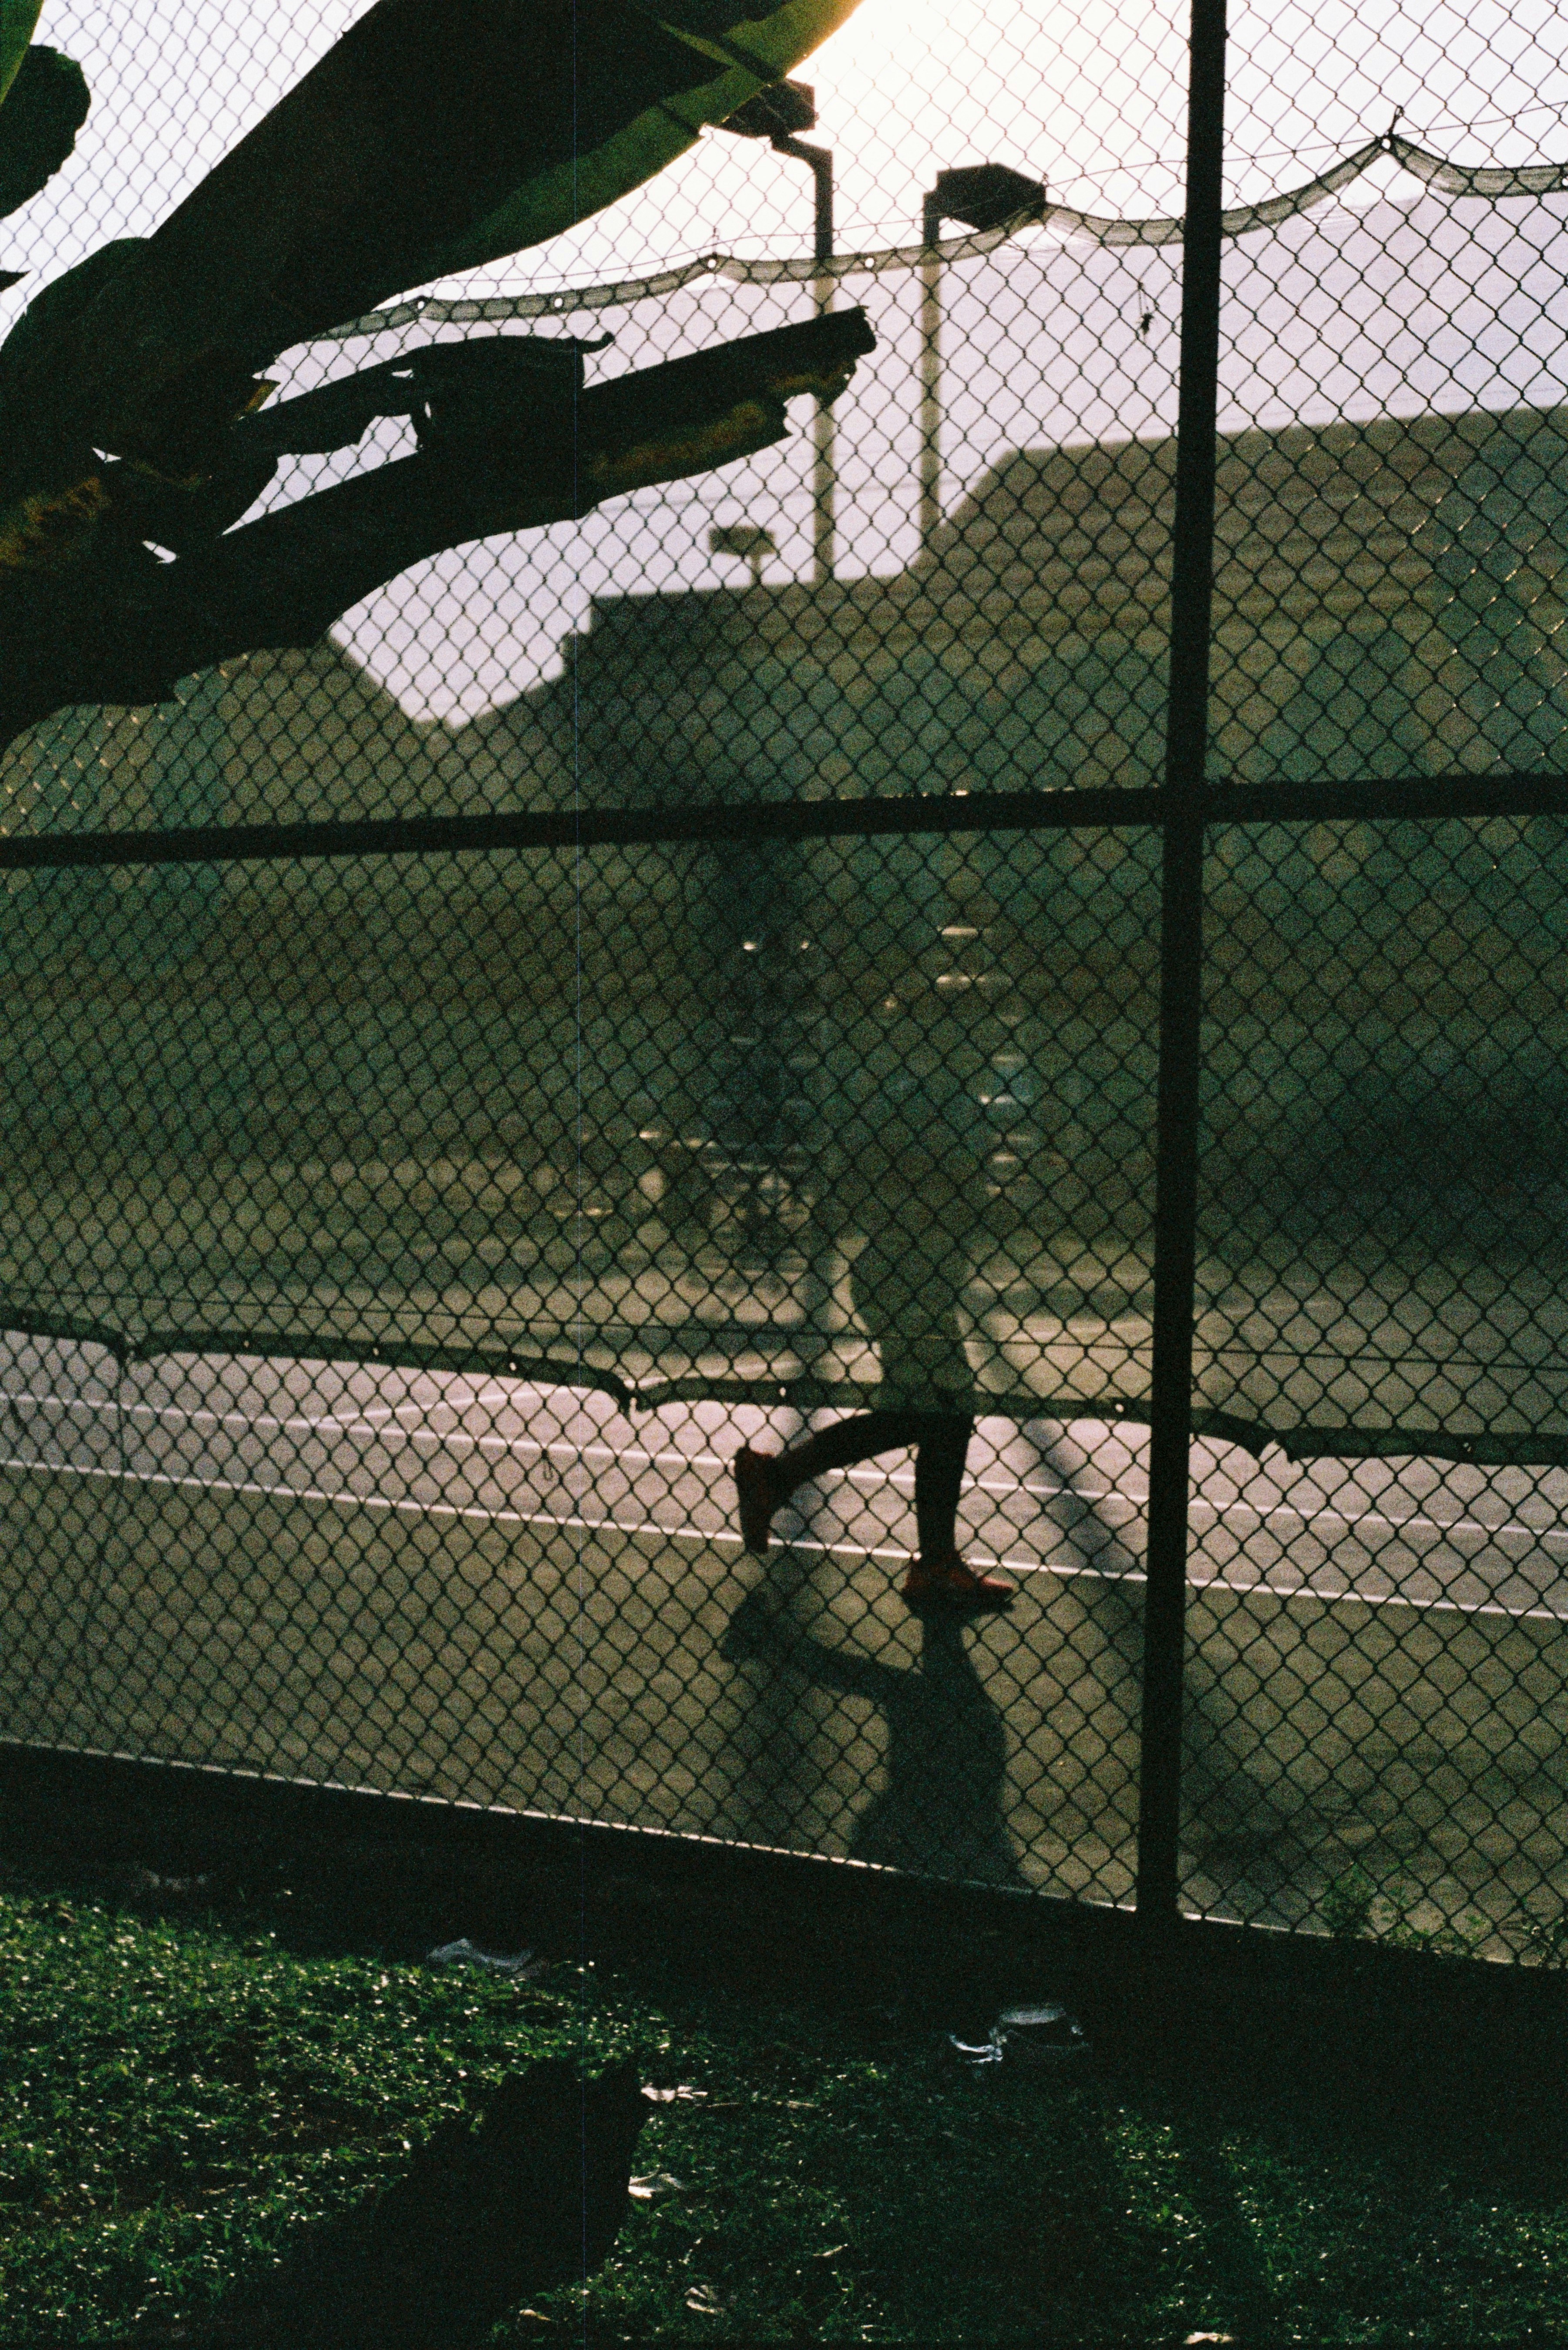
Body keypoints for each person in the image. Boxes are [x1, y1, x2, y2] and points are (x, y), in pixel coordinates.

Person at [729, 1003, 1015, 1612]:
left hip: (897, 1267)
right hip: (913, 1269)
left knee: (924, 1410)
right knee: (941, 1409)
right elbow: (958, 1186)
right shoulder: (945, 1103)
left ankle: (782, 1480)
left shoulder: (903, 1095)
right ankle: (923, 1558)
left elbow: (864, 1176)